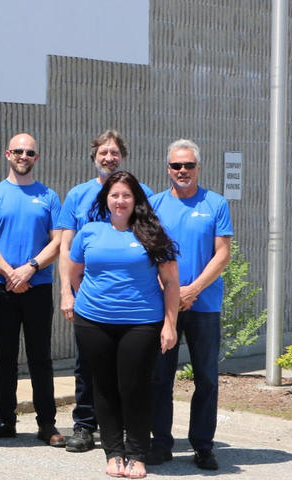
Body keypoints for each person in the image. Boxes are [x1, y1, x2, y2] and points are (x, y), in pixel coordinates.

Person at [69, 171, 179, 478]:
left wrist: (170, 325)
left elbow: (171, 283)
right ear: (106, 199)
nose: (120, 201)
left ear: (136, 200)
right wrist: (90, 302)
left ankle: (137, 454)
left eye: (126, 195)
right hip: (93, 323)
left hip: (141, 323)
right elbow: (74, 272)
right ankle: (114, 453)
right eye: (114, 195)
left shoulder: (152, 232)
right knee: (104, 388)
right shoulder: (89, 231)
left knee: (134, 388)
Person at [57, 130, 155, 453]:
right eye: (103, 152)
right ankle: (85, 425)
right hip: (90, 298)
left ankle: (129, 431)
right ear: (94, 156)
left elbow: (154, 241)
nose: (108, 157)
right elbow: (66, 247)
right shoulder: (77, 195)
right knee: (87, 366)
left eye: (114, 152)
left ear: (122, 157)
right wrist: (68, 293)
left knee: (130, 373)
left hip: (132, 303)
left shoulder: (142, 194)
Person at [0, 133, 65, 447]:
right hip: (2, 287)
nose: (23, 156)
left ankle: (47, 424)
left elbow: (58, 242)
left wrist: (30, 267)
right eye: (18, 151)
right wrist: (10, 272)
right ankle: (4, 421)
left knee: (40, 357)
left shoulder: (49, 197)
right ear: (7, 154)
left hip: (38, 287)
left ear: (36, 157)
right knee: (5, 356)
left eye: (29, 152)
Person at [148, 139, 233, 471]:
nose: (182, 171)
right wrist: (169, 291)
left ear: (199, 167)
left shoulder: (215, 203)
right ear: (168, 167)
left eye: (188, 165)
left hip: (204, 304)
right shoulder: (154, 204)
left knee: (207, 378)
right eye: (176, 166)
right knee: (159, 377)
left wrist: (192, 289)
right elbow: (148, 253)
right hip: (163, 306)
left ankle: (202, 445)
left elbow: (222, 253)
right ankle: (161, 443)